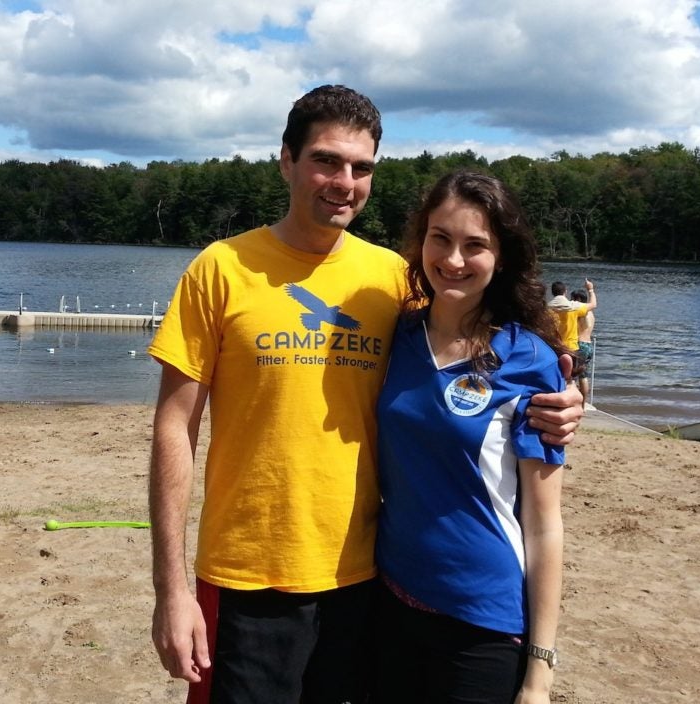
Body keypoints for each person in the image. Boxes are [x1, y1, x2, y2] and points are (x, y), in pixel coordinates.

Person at [147, 85, 584, 704]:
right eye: (326, 160)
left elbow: (474, 344)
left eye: (361, 167)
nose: (343, 181)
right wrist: (171, 588)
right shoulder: (221, 269)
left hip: (368, 580)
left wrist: (561, 401)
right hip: (247, 577)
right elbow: (174, 429)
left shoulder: (393, 282)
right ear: (286, 161)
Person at [373, 171, 568, 704]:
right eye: (441, 238)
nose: (453, 260)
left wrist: (540, 670)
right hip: (389, 599)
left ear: (501, 256)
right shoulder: (395, 337)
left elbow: (544, 523)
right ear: (420, 241)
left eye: (475, 245)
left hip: (484, 622)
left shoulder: (529, 359)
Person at [571, 283, 597, 401]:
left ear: (579, 299)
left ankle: (576, 400)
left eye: (573, 299)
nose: (571, 302)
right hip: (589, 345)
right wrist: (591, 290)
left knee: (573, 375)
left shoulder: (581, 312)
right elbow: (593, 303)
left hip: (580, 344)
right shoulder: (590, 313)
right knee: (583, 375)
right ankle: (583, 403)